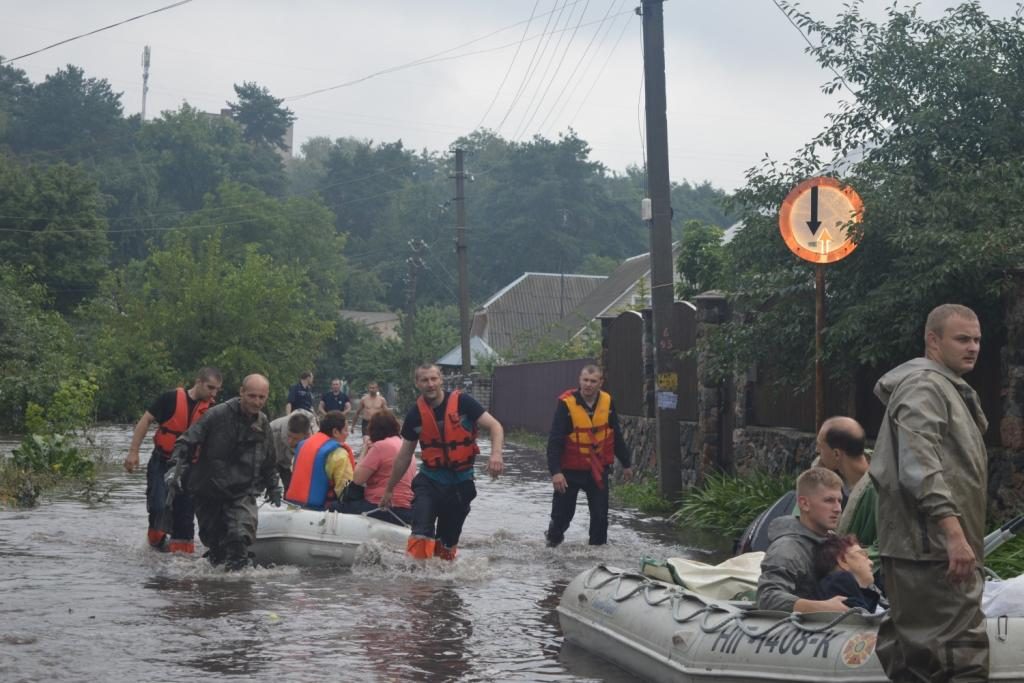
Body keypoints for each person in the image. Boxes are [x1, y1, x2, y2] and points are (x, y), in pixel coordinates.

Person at [869, 303, 989, 682]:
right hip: (930, 552)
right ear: (933, 340)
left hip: (927, 550)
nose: (973, 347)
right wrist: (953, 535)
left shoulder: (943, 386)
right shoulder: (925, 386)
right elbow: (919, 468)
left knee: (916, 658)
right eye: (962, 339)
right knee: (957, 659)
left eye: (977, 340)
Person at [379, 363, 504, 561]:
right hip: (429, 481)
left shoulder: (464, 402)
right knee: (420, 531)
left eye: (433, 379)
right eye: (424, 380)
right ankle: (418, 583)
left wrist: (496, 455)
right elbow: (404, 456)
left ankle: (442, 586)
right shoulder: (415, 415)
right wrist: (389, 489)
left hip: (460, 484)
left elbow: (495, 426)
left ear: (441, 380)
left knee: (446, 546)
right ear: (417, 384)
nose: (430, 384)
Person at [165, 374, 280, 571]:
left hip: (242, 491)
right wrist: (175, 469)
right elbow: (187, 441)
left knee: (238, 535)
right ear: (241, 392)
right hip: (209, 489)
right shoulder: (216, 415)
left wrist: (273, 485)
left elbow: (269, 460)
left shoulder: (262, 424)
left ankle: (239, 590)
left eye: (262, 397)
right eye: (252, 396)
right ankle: (217, 592)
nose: (257, 402)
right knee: (215, 545)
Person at [124, 367, 223, 554]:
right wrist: (133, 452)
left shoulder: (212, 410)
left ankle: (181, 566)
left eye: (217, 389)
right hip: (162, 461)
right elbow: (145, 421)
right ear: (199, 382)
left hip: (191, 467)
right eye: (210, 388)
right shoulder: (169, 399)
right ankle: (156, 547)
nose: (213, 393)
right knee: (158, 506)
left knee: (185, 517)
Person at [544, 364, 633, 547]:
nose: (588, 384)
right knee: (562, 516)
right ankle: (552, 543)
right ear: (579, 380)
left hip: (597, 470)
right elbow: (555, 441)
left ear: (601, 382)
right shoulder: (566, 404)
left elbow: (614, 434)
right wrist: (556, 472)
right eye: (585, 380)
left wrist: (626, 463)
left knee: (600, 517)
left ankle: (597, 558)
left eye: (593, 381)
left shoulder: (607, 402)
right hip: (569, 471)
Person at [756, 467, 851, 613]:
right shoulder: (786, 549)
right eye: (829, 500)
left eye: (839, 501)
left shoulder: (835, 542)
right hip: (799, 629)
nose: (838, 508)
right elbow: (768, 597)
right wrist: (823, 607)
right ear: (804, 504)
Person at [336, 410, 415, 526]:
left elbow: (357, 479)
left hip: (381, 506)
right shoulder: (404, 446)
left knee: (335, 506)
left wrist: (364, 450)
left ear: (373, 430)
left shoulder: (380, 446)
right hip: (407, 509)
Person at [816, 416, 878, 547]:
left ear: (837, 454)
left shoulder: (878, 490)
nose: (817, 450)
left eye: (820, 446)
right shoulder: (821, 476)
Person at [283, 411, 355, 511]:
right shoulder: (339, 454)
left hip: (292, 506)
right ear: (335, 432)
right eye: (346, 430)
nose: (347, 434)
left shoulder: (302, 445)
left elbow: (293, 470)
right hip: (319, 512)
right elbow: (344, 490)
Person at [812, 534, 886, 613]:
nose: (871, 562)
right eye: (863, 554)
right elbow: (864, 619)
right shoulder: (838, 580)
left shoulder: (860, 590)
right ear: (843, 560)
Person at [268, 409, 314, 490]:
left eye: (295, 438)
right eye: (289, 436)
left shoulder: (312, 435)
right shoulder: (274, 429)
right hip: (272, 456)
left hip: (286, 462)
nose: (291, 441)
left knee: (291, 488)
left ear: (306, 435)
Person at [356, 381, 389, 449]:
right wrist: (353, 426)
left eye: (374, 388)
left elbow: (387, 414)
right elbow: (357, 412)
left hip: (378, 423)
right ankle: (364, 458)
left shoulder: (382, 400)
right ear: (368, 389)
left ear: (377, 389)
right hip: (366, 422)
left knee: (377, 443)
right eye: (371, 388)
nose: (372, 389)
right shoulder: (364, 399)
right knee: (366, 442)